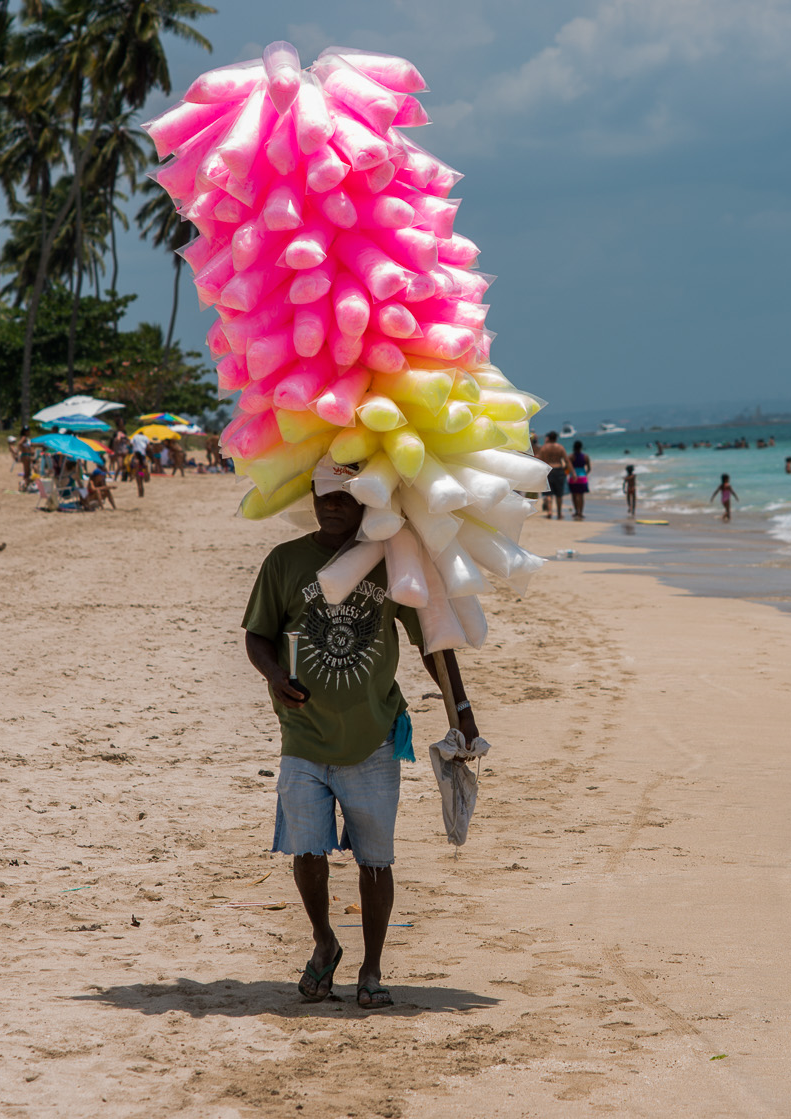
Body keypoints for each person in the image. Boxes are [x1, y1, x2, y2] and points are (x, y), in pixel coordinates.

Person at [242, 456, 479, 1011]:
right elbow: (257, 636)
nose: (331, 507)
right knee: (307, 851)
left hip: (374, 737)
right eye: (324, 497)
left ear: (367, 503)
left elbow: (432, 642)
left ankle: (372, 967)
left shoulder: (393, 561)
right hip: (303, 737)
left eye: (344, 499)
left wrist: (460, 707)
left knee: (376, 860)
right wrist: (276, 676)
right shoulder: (284, 562)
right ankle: (325, 941)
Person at [535, 432, 570, 520]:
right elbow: (567, 460)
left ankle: (549, 511)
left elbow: (540, 460)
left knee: (549, 494)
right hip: (558, 470)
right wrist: (572, 472)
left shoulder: (544, 448)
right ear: (556, 438)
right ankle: (559, 513)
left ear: (549, 438)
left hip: (548, 471)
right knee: (559, 494)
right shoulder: (560, 447)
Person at [567, 442, 591, 520]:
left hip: (573, 478)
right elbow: (589, 469)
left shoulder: (571, 457)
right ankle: (581, 513)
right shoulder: (586, 457)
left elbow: (568, 467)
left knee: (574, 496)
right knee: (581, 496)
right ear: (581, 447)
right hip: (582, 478)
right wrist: (585, 474)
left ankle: (576, 511)